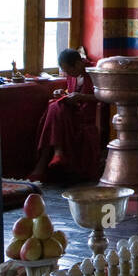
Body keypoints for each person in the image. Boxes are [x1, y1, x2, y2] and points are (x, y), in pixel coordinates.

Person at [28, 49, 101, 184]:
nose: (68, 74)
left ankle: (45, 163)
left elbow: (104, 97)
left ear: (79, 64)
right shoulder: (72, 76)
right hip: (73, 111)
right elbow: (70, 92)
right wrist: (62, 92)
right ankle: (57, 153)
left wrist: (81, 97)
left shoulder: (95, 72)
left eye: (69, 70)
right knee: (54, 106)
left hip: (87, 113)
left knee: (55, 108)